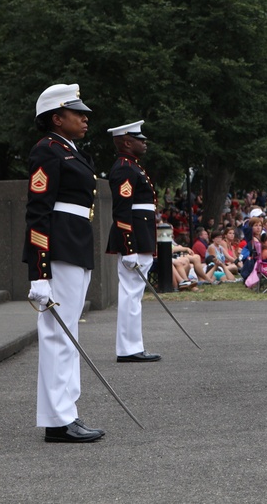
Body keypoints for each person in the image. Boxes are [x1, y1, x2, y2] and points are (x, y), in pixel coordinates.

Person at [23, 83, 105, 443]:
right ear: (57, 118)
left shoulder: (70, 151)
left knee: (68, 332)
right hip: (59, 246)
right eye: (77, 113)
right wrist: (39, 275)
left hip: (75, 242)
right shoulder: (47, 151)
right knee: (59, 334)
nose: (85, 118)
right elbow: (37, 213)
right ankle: (57, 420)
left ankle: (67, 412)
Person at [105, 120, 161, 364]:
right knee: (130, 293)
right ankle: (129, 348)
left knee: (134, 294)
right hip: (134, 239)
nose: (145, 142)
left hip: (142, 235)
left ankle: (132, 345)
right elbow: (122, 211)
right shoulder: (125, 168)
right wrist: (129, 249)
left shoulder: (132, 167)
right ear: (127, 142)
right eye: (140, 139)